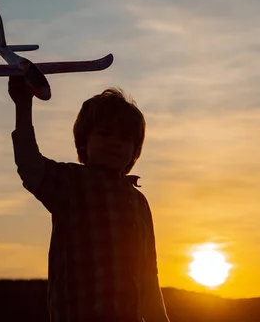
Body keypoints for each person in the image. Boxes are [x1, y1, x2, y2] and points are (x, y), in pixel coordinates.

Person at [9, 76, 170, 322]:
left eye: (125, 139)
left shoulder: (138, 202)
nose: (115, 143)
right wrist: (23, 106)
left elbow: (149, 277)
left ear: (135, 151)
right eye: (104, 134)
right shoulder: (70, 182)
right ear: (84, 142)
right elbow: (30, 166)